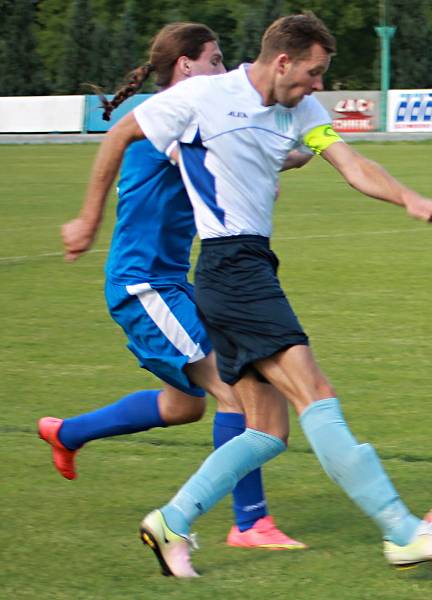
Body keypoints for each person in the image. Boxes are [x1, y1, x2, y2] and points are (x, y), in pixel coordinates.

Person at [62, 13, 432, 577]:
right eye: (313, 73)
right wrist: (89, 219)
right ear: (282, 59)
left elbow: (351, 163)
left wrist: (411, 199)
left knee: (268, 429)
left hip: (250, 266)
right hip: (229, 268)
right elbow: (120, 132)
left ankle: (171, 521)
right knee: (315, 391)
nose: (318, 87)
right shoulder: (203, 96)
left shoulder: (301, 110)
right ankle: (402, 531)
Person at [49, 22, 306, 551]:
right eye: (214, 60)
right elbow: (232, 150)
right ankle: (250, 523)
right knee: (237, 389)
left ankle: (66, 432)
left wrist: (302, 146)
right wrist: (86, 219)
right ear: (185, 65)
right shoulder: (174, 119)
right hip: (144, 286)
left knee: (183, 406)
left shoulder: (183, 118)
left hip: (173, 284)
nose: (222, 71)